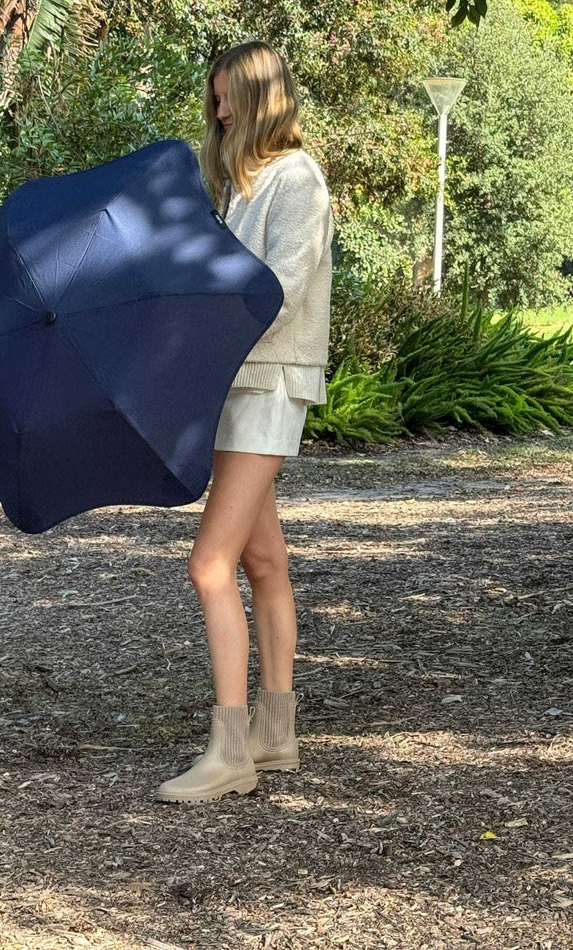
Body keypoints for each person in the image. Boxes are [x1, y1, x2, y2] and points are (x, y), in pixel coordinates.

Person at [155, 41, 334, 804]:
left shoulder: (298, 179)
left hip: (268, 384)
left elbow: (278, 293)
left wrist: (204, 324)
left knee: (209, 564)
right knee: (263, 563)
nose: (219, 110)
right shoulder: (241, 186)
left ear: (262, 99)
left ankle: (230, 751)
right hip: (237, 385)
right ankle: (275, 733)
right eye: (215, 98)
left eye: (229, 97)